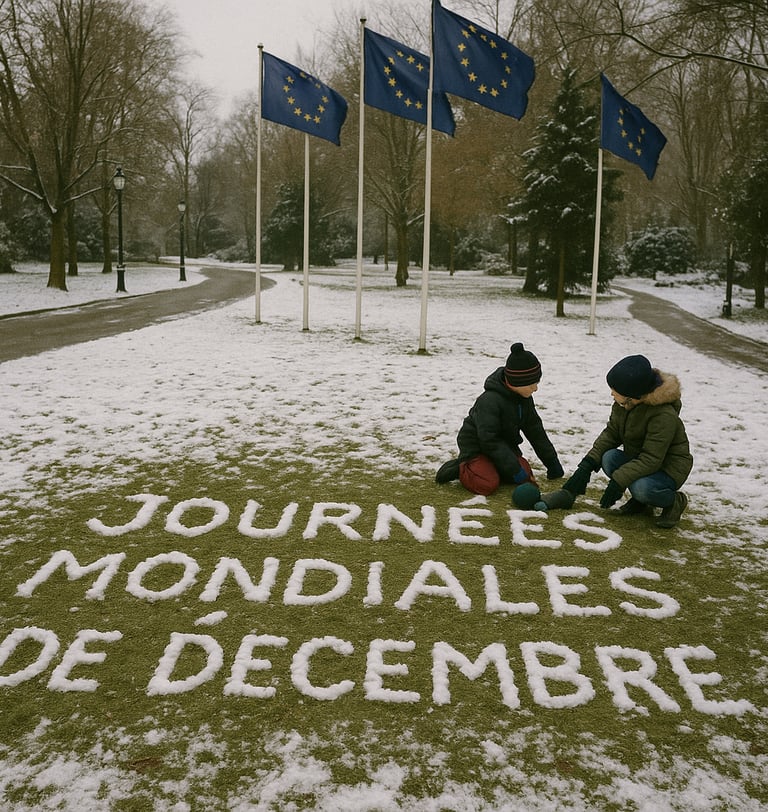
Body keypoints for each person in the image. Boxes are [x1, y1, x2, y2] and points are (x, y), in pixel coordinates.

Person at [561, 354, 693, 528]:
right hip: (641, 461)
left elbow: (652, 459)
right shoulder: (624, 404)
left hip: (667, 469)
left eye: (616, 390)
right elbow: (611, 434)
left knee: (642, 488)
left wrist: (619, 481)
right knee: (608, 458)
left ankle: (673, 501)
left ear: (633, 396)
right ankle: (641, 503)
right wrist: (587, 465)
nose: (611, 393)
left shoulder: (663, 416)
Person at [435, 343, 563, 495]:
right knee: (487, 485)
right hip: (478, 449)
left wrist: (552, 463)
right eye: (532, 383)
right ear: (517, 382)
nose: (535, 388)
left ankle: (493, 468)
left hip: (505, 449)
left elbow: (536, 431)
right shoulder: (489, 401)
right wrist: (515, 470)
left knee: (525, 471)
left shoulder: (525, 399)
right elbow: (489, 440)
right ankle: (462, 467)